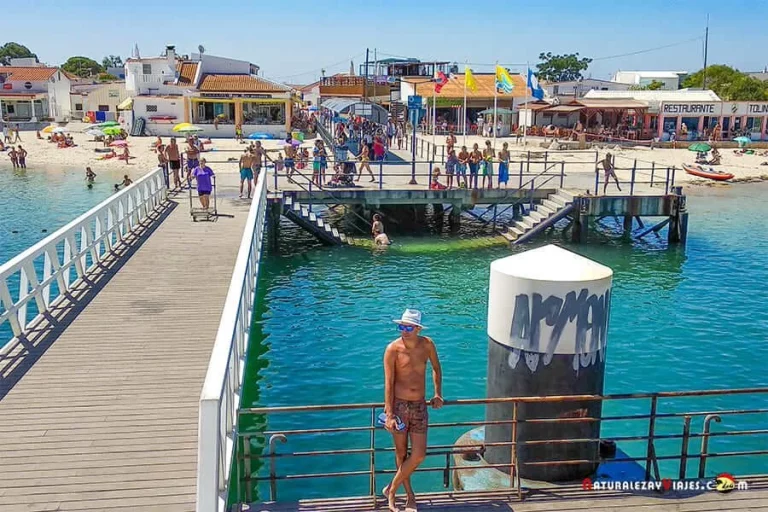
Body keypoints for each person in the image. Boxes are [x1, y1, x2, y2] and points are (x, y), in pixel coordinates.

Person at [383, 309, 443, 512]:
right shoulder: (393, 349)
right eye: (401, 326)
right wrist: (390, 414)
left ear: (418, 328)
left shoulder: (427, 345)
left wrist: (437, 393)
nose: (404, 331)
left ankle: (391, 488)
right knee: (401, 453)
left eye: (408, 327)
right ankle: (408, 496)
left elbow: (436, 367)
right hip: (399, 407)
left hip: (419, 405)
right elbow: (388, 383)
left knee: (418, 454)